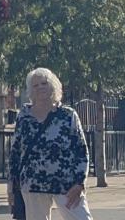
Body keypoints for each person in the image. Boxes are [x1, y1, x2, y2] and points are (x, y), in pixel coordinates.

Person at [7, 69, 92, 220]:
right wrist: (12, 185)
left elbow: (81, 150)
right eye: (35, 85)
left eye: (44, 83)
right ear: (30, 91)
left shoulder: (68, 115)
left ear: (53, 85)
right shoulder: (24, 116)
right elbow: (15, 152)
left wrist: (80, 182)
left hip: (66, 182)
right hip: (32, 183)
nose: (40, 87)